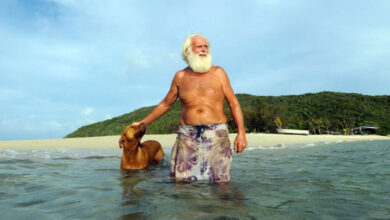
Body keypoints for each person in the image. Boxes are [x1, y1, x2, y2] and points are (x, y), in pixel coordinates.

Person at [122, 34, 247, 182]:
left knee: (220, 182)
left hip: (216, 135)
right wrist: (143, 122)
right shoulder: (180, 76)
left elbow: (234, 103)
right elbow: (166, 103)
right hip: (187, 136)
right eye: (199, 46)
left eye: (206, 46)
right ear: (188, 50)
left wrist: (241, 132)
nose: (204, 49)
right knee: (183, 183)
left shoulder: (219, 73)